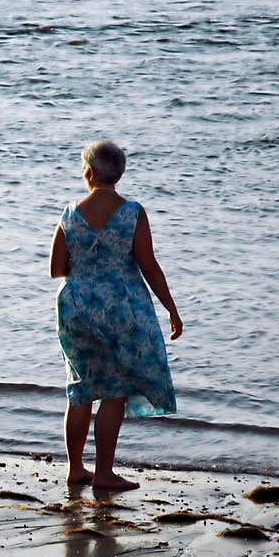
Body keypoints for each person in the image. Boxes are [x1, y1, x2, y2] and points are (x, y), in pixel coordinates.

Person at [49, 140, 182, 491]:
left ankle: (76, 469)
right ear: (117, 174)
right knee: (114, 391)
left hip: (75, 304)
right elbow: (148, 265)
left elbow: (56, 268)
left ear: (89, 173)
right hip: (121, 307)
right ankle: (104, 472)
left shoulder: (68, 214)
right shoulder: (132, 212)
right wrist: (171, 308)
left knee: (79, 390)